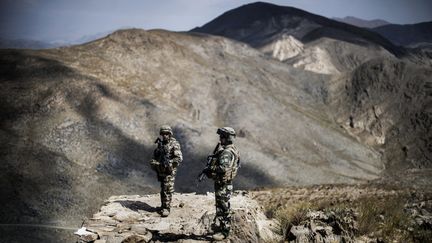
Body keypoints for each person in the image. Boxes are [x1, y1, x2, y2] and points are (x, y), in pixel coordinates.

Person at [202, 127, 240, 241]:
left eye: (222, 136)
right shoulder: (231, 149)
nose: (220, 138)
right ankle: (221, 227)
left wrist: (211, 169)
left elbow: (223, 168)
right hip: (224, 183)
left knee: (223, 207)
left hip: (223, 184)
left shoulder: (227, 152)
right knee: (221, 206)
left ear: (227, 138)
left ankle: (224, 232)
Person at [149, 125, 183, 217]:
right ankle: (163, 205)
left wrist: (170, 163)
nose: (165, 136)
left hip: (169, 170)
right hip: (161, 169)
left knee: (167, 189)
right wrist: (155, 163)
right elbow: (155, 156)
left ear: (170, 134)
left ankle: (166, 208)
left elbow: (179, 158)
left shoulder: (174, 144)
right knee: (163, 188)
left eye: (166, 134)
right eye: (163, 134)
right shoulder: (161, 144)